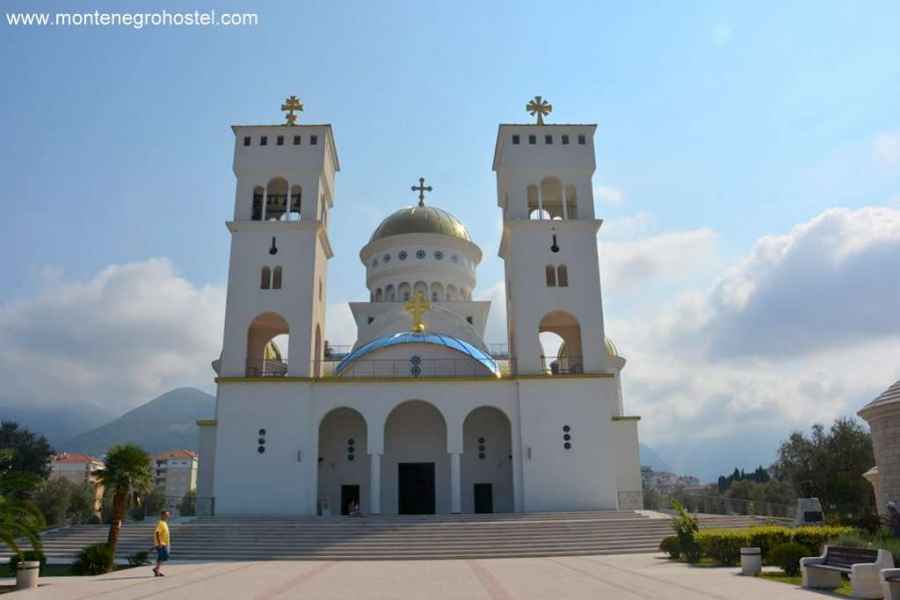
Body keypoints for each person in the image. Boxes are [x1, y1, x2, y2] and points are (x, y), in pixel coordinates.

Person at [152, 510, 171, 577]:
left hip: (165, 543)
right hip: (161, 544)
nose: (168, 516)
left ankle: (156, 570)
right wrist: (159, 543)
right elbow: (157, 533)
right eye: (166, 515)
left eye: (168, 515)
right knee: (164, 556)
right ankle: (156, 569)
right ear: (162, 515)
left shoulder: (164, 523)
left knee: (162, 557)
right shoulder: (160, 523)